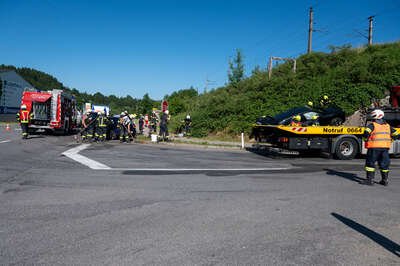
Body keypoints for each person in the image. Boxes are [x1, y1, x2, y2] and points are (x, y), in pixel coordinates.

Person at [362, 109, 399, 186]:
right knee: (384, 164)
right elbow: (396, 134)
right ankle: (384, 180)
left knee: (370, 164)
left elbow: (366, 133)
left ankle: (370, 180)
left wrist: (366, 139)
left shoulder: (373, 125)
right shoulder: (388, 126)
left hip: (374, 148)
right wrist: (390, 140)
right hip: (384, 148)